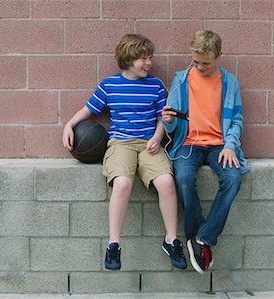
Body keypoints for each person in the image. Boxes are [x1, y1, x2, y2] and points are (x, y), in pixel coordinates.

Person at [62, 34, 187, 271]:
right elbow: (89, 109)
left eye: (150, 57)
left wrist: (157, 137)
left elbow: (163, 117)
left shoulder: (156, 85)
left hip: (149, 143)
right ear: (128, 59)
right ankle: (114, 245)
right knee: (122, 184)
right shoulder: (110, 85)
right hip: (121, 143)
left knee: (167, 182)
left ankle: (172, 240)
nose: (149, 62)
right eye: (143, 58)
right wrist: (69, 124)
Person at [161, 30, 250, 274]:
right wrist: (168, 120)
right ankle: (196, 235)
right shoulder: (181, 80)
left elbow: (237, 119)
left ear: (218, 56)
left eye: (205, 63)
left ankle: (203, 238)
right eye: (195, 61)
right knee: (183, 178)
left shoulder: (229, 82)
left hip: (220, 144)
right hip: (188, 143)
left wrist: (230, 145)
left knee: (233, 177)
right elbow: (171, 126)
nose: (199, 67)